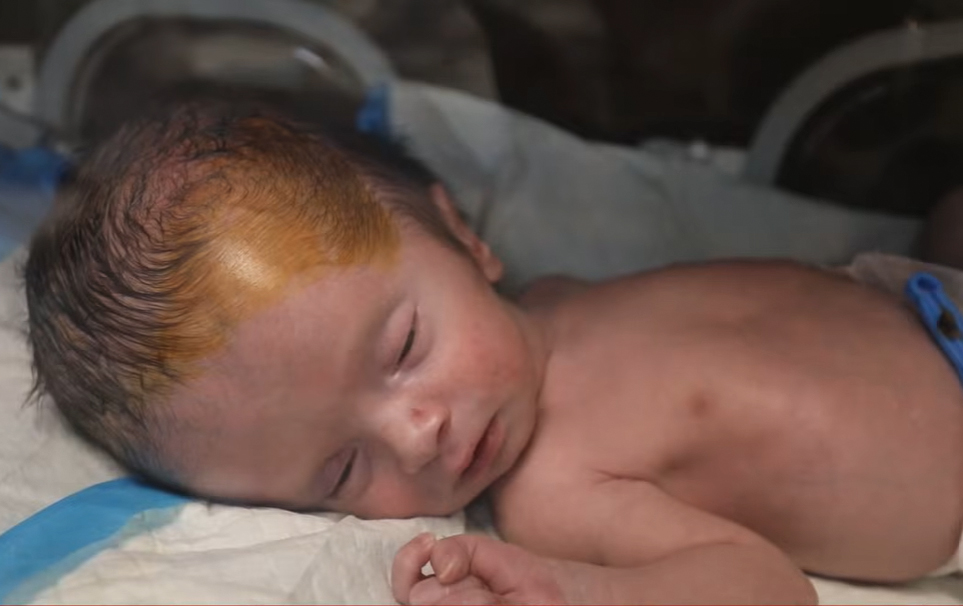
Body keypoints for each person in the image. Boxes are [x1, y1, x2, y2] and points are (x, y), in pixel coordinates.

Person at [24, 97, 963, 605]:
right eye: (344, 469)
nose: (418, 430)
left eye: (402, 347)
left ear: (465, 238)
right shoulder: (552, 485)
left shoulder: (558, 300)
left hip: (914, 296)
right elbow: (762, 590)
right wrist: (576, 592)